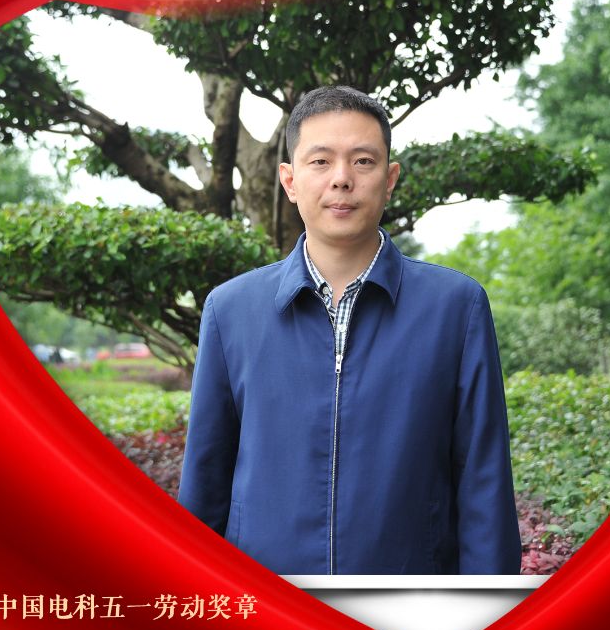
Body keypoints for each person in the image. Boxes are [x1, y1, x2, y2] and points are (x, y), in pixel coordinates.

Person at [178, 86, 521, 575]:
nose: (342, 179)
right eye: (320, 161)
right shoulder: (231, 311)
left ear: (390, 179)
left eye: (363, 161)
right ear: (290, 180)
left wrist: (486, 612)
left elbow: (483, 480)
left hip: (410, 603)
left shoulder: (455, 307)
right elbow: (204, 483)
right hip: (269, 601)